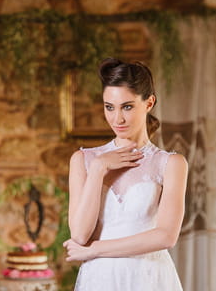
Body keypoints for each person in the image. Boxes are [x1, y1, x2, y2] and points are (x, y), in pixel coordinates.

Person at [63, 58, 188, 291]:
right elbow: (79, 235)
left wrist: (95, 250)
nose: (117, 119)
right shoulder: (84, 161)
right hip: (100, 279)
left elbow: (166, 237)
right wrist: (99, 169)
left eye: (127, 107)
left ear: (149, 102)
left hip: (150, 278)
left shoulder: (170, 163)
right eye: (109, 107)